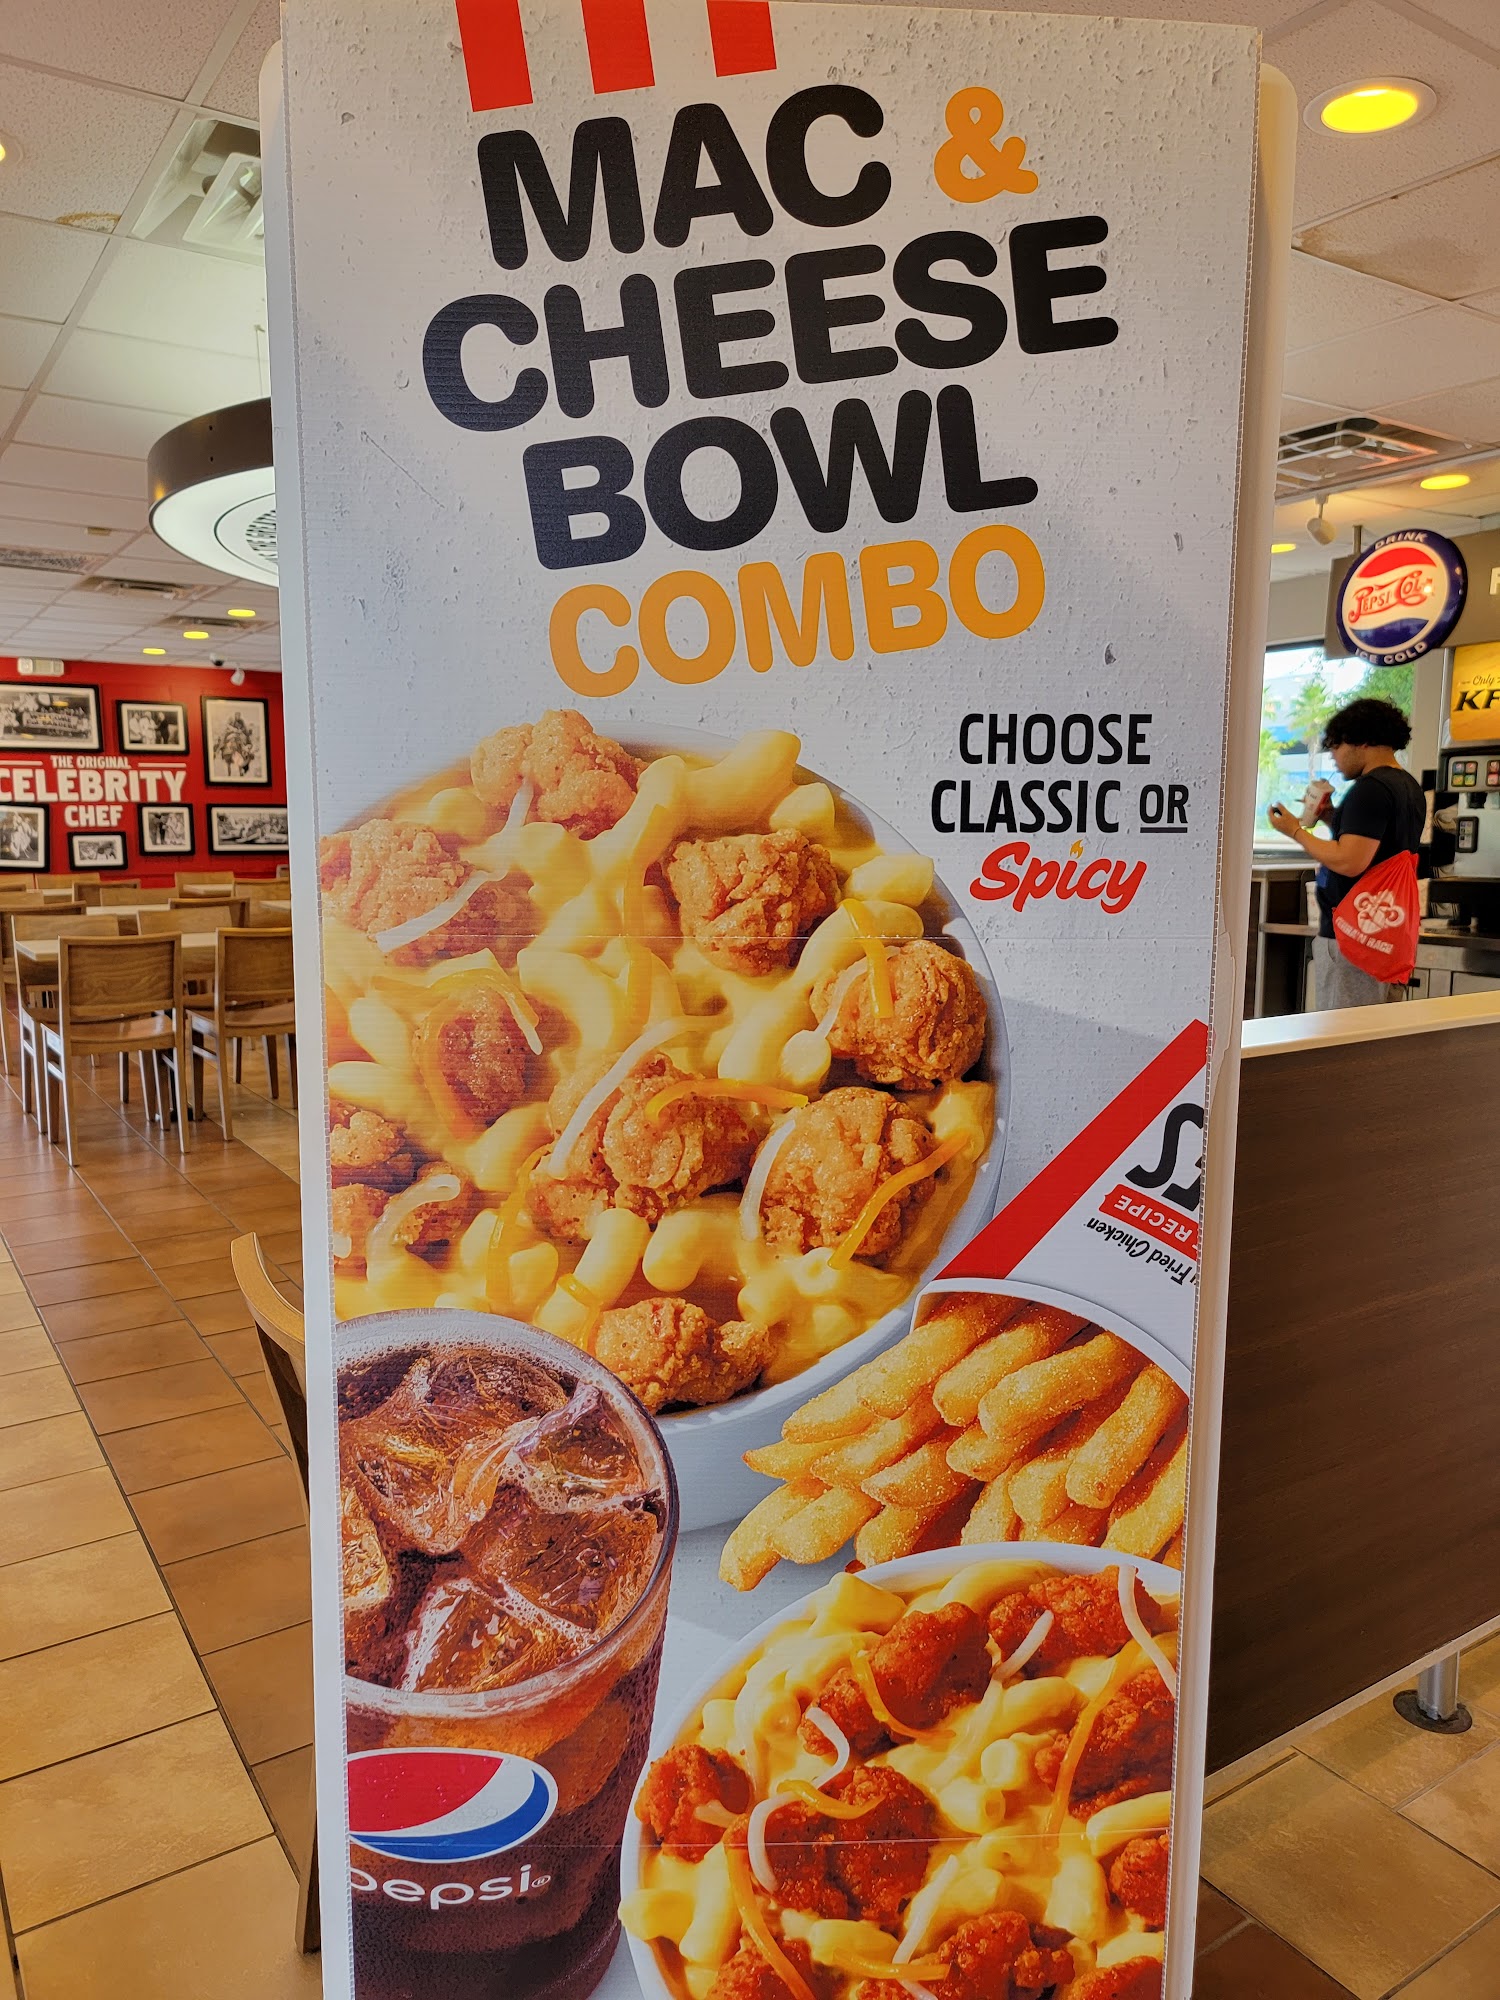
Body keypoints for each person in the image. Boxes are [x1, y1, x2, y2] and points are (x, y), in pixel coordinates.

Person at [1267, 696, 1425, 1009]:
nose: (1334, 757)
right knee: (1376, 1030)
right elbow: (1375, 848)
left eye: (1336, 746)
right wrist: (1330, 817)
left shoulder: (1371, 789)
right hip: (1383, 936)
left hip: (1354, 937)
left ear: (1361, 741)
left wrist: (1294, 830)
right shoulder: (1407, 786)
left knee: (1342, 1033)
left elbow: (1350, 860)